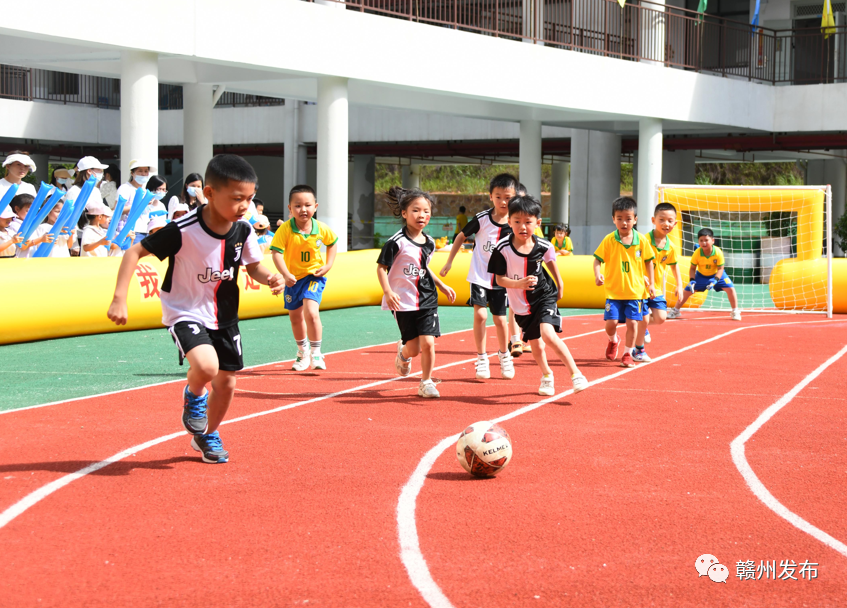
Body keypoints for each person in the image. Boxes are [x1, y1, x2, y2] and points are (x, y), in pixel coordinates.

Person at [107, 154, 284, 464]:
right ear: (211, 193)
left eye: (250, 198)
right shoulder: (183, 230)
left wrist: (270, 277)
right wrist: (119, 298)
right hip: (184, 310)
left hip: (225, 316)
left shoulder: (243, 230)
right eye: (237, 198)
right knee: (205, 368)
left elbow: (253, 266)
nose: (245, 206)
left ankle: (207, 435)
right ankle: (194, 395)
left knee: (227, 383)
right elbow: (135, 252)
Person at [488, 195, 588, 396]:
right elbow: (499, 280)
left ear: (538, 223)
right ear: (509, 222)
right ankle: (546, 375)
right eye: (517, 222)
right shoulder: (502, 249)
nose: (522, 227)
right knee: (536, 345)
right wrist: (519, 284)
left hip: (544, 295)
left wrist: (560, 284)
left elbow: (551, 261)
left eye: (528, 222)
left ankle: (576, 374)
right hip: (521, 304)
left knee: (548, 335)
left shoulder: (543, 246)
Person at [377, 186, 457, 398]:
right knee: (413, 348)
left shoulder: (429, 242)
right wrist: (388, 291)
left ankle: (426, 382)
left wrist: (441, 285)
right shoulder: (396, 242)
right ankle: (403, 354)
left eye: (426, 211)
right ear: (404, 213)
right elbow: (381, 268)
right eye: (416, 210)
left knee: (428, 342)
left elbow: (424, 267)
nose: (422, 215)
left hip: (427, 298)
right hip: (403, 300)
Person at [439, 173, 516, 380]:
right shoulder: (482, 219)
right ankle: (482, 358)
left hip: (502, 280)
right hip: (480, 277)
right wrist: (449, 261)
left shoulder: (516, 223)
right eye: (498, 196)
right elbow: (461, 236)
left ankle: (504, 356)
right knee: (481, 315)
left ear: (515, 197)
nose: (503, 201)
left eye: (507, 197)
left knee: (500, 320)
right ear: (491, 196)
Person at [270, 185, 338, 372]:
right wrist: (285, 274)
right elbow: (275, 253)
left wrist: (328, 265)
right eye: (298, 206)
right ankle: (302, 351)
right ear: (290, 209)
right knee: (295, 318)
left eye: (308, 205)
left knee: (311, 311)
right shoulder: (285, 229)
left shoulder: (321, 228)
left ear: (315, 206)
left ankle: (316, 352)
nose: (303, 209)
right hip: (293, 279)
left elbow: (332, 243)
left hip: (313, 276)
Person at [593, 196, 655, 368]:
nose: (624, 223)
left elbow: (649, 261)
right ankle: (613, 340)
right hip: (613, 292)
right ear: (613, 219)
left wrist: (651, 285)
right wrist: (597, 274)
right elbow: (597, 260)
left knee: (632, 323)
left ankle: (627, 353)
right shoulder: (609, 240)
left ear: (635, 219)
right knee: (610, 324)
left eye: (628, 219)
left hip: (635, 292)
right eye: (619, 218)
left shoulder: (641, 240)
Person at [630, 203, 683, 362]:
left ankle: (643, 328)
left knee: (660, 318)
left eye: (669, 220)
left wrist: (679, 285)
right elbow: (633, 260)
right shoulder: (643, 240)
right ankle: (638, 351)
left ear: (675, 223)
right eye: (662, 220)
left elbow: (675, 267)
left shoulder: (671, 248)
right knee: (644, 318)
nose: (666, 224)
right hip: (641, 288)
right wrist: (641, 276)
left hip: (657, 289)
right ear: (653, 220)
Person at [667, 228, 741, 321]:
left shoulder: (718, 252)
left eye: (706, 240)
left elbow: (721, 269)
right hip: (701, 275)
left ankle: (735, 311)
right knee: (686, 291)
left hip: (717, 275)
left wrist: (716, 280)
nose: (704, 243)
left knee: (731, 289)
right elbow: (692, 268)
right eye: (701, 240)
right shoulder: (697, 253)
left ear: (713, 241)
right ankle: (675, 311)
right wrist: (692, 280)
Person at [116, 159, 156, 244]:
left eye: (146, 171)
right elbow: (118, 209)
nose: (143, 174)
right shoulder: (125, 188)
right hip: (131, 232)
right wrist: (141, 204)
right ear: (132, 173)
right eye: (140, 171)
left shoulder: (145, 191)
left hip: (146, 231)